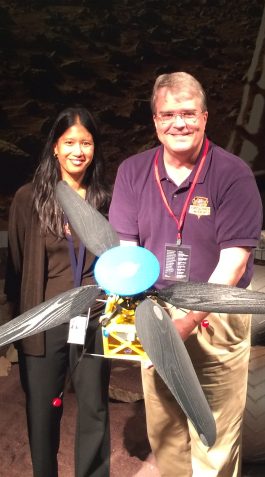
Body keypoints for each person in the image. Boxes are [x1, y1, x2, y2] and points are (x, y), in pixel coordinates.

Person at [109, 71, 262, 476]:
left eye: (189, 113)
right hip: (156, 312)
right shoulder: (132, 172)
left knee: (214, 434)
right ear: (156, 122)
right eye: (169, 114)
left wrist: (190, 319)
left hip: (216, 314)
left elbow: (234, 261)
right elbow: (127, 252)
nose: (180, 123)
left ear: (206, 118)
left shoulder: (232, 175)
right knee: (165, 429)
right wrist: (139, 316)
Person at [5, 107, 112, 477]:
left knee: (95, 408)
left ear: (95, 148)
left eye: (86, 142)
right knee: (43, 411)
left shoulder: (104, 200)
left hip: (93, 319)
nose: (77, 151)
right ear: (54, 147)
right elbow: (15, 272)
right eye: (69, 142)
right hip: (44, 322)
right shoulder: (28, 199)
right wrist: (9, 331)